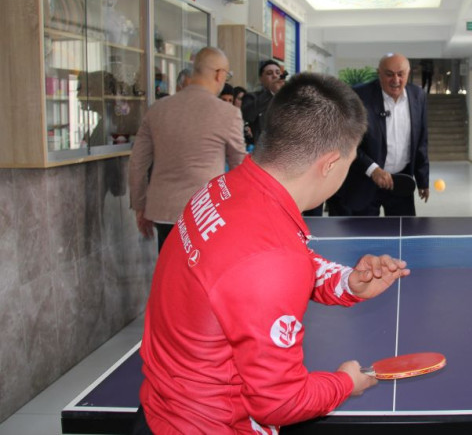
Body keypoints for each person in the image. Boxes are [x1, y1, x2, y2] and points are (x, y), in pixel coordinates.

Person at [135, 72, 409, 434]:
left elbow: (252, 265)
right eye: (350, 159)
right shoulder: (272, 257)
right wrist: (345, 382)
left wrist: (346, 283)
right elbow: (280, 401)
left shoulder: (223, 188)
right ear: (329, 163)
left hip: (162, 408)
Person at [128, 47, 247, 251]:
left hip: (163, 211)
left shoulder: (158, 109)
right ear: (219, 75)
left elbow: (137, 163)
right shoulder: (228, 114)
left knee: (168, 266)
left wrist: (139, 205)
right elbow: (239, 167)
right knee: (200, 268)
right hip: (206, 214)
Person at [328, 53, 429, 216]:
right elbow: (347, 141)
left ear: (408, 73)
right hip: (364, 183)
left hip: (400, 183)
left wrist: (423, 180)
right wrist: (373, 169)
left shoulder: (418, 96)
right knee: (365, 232)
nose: (395, 80)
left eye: (400, 74)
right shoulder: (358, 96)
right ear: (379, 73)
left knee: (403, 230)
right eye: (389, 74)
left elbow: (421, 142)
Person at [243, 59, 285, 144]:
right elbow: (247, 115)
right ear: (261, 79)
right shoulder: (252, 97)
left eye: (278, 73)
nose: (275, 76)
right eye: (269, 73)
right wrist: (271, 92)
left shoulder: (289, 98)